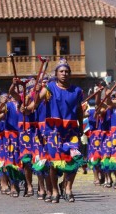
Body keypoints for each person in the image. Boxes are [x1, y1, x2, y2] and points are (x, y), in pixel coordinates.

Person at [26, 58, 84, 203]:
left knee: (74, 158)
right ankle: (55, 191)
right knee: (53, 162)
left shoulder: (77, 91)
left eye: (66, 71)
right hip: (53, 131)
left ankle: (68, 188)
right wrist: (27, 107)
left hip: (71, 130)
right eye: (61, 71)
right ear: (56, 74)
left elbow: (79, 111)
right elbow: (36, 101)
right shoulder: (50, 87)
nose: (64, 74)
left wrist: (81, 126)